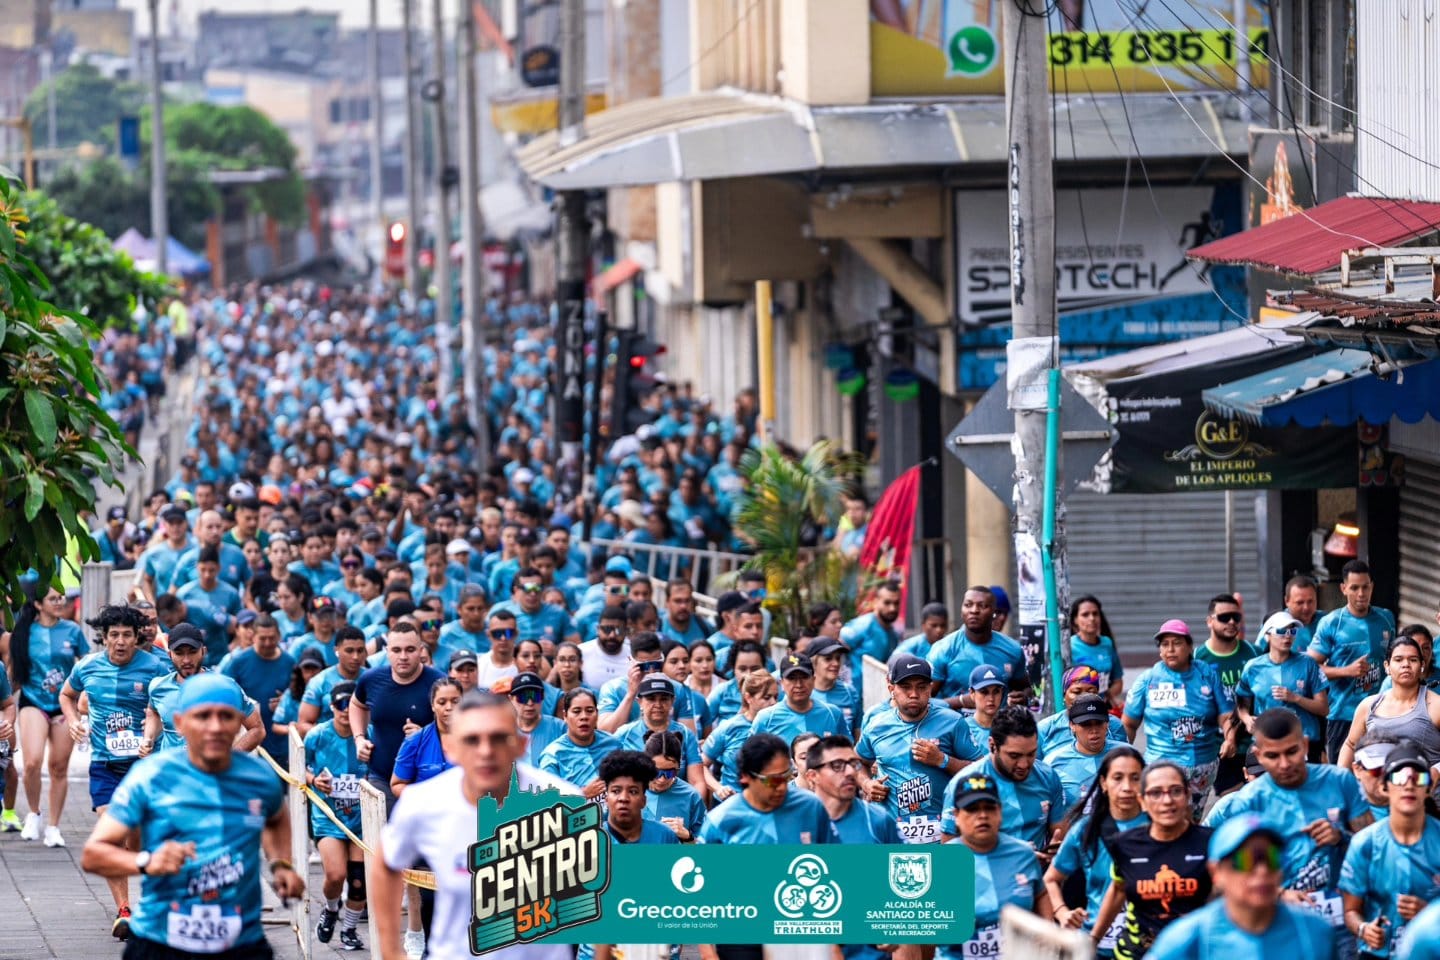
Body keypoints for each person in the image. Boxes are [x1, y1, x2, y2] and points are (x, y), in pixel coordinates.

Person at [80, 673, 305, 959]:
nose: (215, 727)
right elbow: (94, 854)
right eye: (203, 716)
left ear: (239, 721)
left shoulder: (258, 778)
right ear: (180, 723)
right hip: (162, 943)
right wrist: (146, 861)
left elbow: (276, 819)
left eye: (226, 716)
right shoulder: (150, 777)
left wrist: (281, 865)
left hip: (241, 943)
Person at [371, 689, 575, 960]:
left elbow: (607, 886)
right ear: (450, 748)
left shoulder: (564, 801)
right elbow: (385, 863)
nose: (486, 751)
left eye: (499, 738)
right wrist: (391, 950)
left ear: (521, 744)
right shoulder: (423, 803)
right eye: (472, 740)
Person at [1205, 709, 1372, 951]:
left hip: (1343, 919)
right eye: (1273, 756)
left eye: (1292, 752)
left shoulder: (1339, 781)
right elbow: (1233, 872)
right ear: (1258, 755)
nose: (1284, 764)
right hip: (1281, 924)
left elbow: (1373, 847)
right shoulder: (1248, 802)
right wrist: (1279, 894)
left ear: (1305, 745)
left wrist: (1341, 838)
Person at [59, 603, 167, 937]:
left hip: (143, 767)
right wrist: (74, 721)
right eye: (114, 635)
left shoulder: (155, 667)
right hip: (104, 765)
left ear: (137, 637)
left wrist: (153, 732)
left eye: (127, 635)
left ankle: (148, 902)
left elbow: (170, 705)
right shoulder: (87, 667)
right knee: (113, 835)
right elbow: (67, 695)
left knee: (137, 839)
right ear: (103, 637)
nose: (120, 642)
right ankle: (124, 910)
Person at [1149, 814, 1338, 959]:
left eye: (1272, 858)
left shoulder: (1313, 931)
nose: (1262, 871)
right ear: (1216, 872)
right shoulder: (1187, 940)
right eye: (1244, 861)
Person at [1091, 762, 1214, 959]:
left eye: (1176, 791)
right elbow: (1118, 890)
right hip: (1135, 953)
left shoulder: (1212, 843)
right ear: (1142, 801)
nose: (1167, 800)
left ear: (1187, 795)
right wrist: (1093, 939)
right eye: (1156, 793)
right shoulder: (1125, 844)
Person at [857, 654, 981, 845]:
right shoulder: (876, 726)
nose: (914, 694)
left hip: (944, 835)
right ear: (891, 689)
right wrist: (866, 784)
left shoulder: (953, 722)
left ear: (930, 689)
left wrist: (943, 760)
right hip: (891, 836)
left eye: (921, 687)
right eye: (906, 687)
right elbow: (857, 762)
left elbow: (981, 770)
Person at [1123, 618, 1238, 819]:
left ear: (1189, 646)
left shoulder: (1207, 674)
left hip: (1203, 767)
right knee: (1164, 818)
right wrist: (1125, 760)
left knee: (1192, 821)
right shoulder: (1148, 679)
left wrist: (1230, 738)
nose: (1170, 649)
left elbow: (1226, 714)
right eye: (1165, 644)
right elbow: (1129, 724)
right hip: (1161, 765)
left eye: (1177, 643)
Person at [1340, 741, 1440, 959]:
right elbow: (1350, 911)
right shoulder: (1365, 843)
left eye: (1418, 778)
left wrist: (1429, 913)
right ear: (1384, 787)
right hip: (1377, 954)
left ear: (1428, 788)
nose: (1409, 785)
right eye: (1399, 777)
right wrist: (1364, 929)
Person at [1045, 746, 1148, 957]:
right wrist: (1062, 912)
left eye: (1135, 778)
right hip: (1096, 945)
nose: (1127, 787)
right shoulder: (1086, 829)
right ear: (1103, 783)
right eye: (1117, 778)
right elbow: (1051, 879)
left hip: (1147, 945)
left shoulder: (1159, 826)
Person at [938, 773, 1050, 960]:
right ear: (956, 816)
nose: (982, 815)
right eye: (972, 809)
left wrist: (1047, 934)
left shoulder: (1023, 854)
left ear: (1000, 812)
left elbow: (1041, 893)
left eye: (989, 808)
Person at [8, 585, 85, 842]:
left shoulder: (72, 630)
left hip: (64, 705)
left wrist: (85, 698)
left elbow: (86, 666)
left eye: (60, 597)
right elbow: (13, 672)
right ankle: (34, 813)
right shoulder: (24, 632)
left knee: (59, 767)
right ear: (38, 604)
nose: (59, 601)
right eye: (53, 598)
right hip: (33, 701)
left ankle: (53, 827)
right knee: (32, 762)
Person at [942, 706, 1065, 854]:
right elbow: (949, 856)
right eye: (1014, 756)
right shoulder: (962, 785)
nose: (1024, 764)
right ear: (992, 746)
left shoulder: (1048, 777)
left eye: (1031, 754)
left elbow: (1059, 835)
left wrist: (1053, 856)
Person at [350, 623, 446, 810]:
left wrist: (426, 736)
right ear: (386, 651)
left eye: (410, 650)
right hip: (381, 777)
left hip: (427, 781)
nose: (403, 656)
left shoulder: (439, 684)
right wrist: (359, 738)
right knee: (385, 828)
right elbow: (356, 704)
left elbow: (458, 727)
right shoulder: (371, 679)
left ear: (420, 650)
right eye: (396, 650)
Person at [1310, 560, 1397, 764]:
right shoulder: (1332, 622)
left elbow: (1394, 657)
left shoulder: (1386, 618)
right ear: (1343, 588)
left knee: (1378, 773)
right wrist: (1346, 671)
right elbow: (1308, 668)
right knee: (1343, 775)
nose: (1361, 594)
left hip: (1380, 714)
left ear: (1372, 587)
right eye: (1354, 588)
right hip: (1343, 715)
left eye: (1365, 587)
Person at [303, 681, 368, 951]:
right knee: (335, 875)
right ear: (331, 707)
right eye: (340, 705)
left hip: (361, 820)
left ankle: (349, 929)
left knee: (359, 882)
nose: (345, 710)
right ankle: (330, 909)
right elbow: (298, 766)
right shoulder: (317, 735)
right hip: (328, 816)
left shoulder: (369, 735)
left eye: (349, 705)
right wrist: (313, 779)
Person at [142, 624, 264, 753]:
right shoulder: (158, 686)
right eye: (179, 653)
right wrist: (148, 739)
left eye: (192, 652)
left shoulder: (225, 687)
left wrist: (228, 759)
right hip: (170, 765)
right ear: (169, 655)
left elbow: (257, 729)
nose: (186, 660)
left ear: (203, 651)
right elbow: (153, 712)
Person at [699, 732, 839, 845]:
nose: (782, 787)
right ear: (745, 776)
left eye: (786, 776)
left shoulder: (811, 806)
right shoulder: (720, 821)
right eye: (773, 780)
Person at [1237, 611, 1330, 763]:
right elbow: (1242, 704)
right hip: (1266, 742)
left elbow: (1323, 708)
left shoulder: (1308, 664)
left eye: (1292, 631)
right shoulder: (1253, 667)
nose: (1288, 636)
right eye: (1281, 631)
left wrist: (1296, 698)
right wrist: (1247, 719)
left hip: (1303, 743)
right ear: (1267, 635)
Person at [1337, 635, 1440, 769]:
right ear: (1387, 666)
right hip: (1377, 782)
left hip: (1421, 781)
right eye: (1398, 659)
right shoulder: (1369, 705)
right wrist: (1341, 776)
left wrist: (1436, 772)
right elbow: (1350, 744)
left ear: (1422, 665)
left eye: (1413, 660)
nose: (1406, 665)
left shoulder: (1435, 705)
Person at [1195, 594, 1259, 796]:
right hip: (1217, 746)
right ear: (1209, 621)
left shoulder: (1254, 654)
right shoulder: (1197, 659)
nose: (1231, 622)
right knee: (1233, 800)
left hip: (1254, 743)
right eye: (1224, 617)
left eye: (1236, 617)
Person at [925, 586, 1028, 707]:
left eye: (982, 606)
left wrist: (1023, 697)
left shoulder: (1013, 649)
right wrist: (961, 701)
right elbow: (923, 701)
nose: (974, 610)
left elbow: (1025, 689)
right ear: (962, 610)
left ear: (994, 612)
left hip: (1000, 718)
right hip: (956, 719)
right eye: (968, 605)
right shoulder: (943, 649)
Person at [615, 675, 706, 798]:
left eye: (664, 699)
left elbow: (697, 782)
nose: (658, 704)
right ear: (640, 701)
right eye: (651, 699)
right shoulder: (624, 734)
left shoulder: (686, 734)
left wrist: (694, 807)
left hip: (677, 801)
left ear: (672, 701)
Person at [221, 613, 296, 761]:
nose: (267, 643)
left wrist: (286, 702)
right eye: (263, 638)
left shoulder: (290, 663)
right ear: (253, 636)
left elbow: (300, 700)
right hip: (248, 743)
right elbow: (223, 695)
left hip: (280, 744)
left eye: (272, 638)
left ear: (279, 636)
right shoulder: (238, 663)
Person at [806, 734, 901, 844]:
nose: (850, 772)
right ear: (813, 776)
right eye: (837, 765)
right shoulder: (797, 820)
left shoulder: (878, 820)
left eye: (853, 764)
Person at [703, 671, 778, 800]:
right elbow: (701, 765)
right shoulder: (729, 727)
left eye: (776, 697)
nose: (773, 703)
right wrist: (719, 788)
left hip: (768, 801)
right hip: (729, 801)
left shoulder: (780, 725)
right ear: (748, 697)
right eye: (766, 697)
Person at [1046, 694, 1128, 807]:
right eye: (1085, 724)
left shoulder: (1127, 755)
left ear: (1107, 723)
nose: (1094, 730)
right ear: (1072, 725)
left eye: (1099, 722)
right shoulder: (1053, 762)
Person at [538, 688, 617, 802]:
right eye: (576, 711)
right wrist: (582, 795)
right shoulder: (553, 755)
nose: (584, 717)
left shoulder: (613, 744)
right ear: (565, 716)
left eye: (590, 711)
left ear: (597, 714)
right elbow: (546, 801)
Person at [751, 653, 848, 742]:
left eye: (804, 677)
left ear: (813, 680)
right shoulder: (766, 719)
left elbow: (847, 750)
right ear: (782, 683)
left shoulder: (832, 714)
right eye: (792, 678)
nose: (799, 684)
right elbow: (752, 753)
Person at [390, 678, 463, 794]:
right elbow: (397, 784)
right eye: (442, 702)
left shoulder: (479, 738)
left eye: (455, 701)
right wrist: (424, 800)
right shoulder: (415, 740)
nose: (449, 707)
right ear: (433, 706)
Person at [1036, 665, 1126, 758]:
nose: (1084, 697)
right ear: (1064, 695)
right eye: (1076, 692)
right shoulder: (1045, 729)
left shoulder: (1114, 725)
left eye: (1091, 692)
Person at [644, 729, 706, 842]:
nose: (662, 779)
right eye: (656, 772)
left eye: (670, 773)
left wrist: (687, 836)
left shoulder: (691, 797)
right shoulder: (628, 790)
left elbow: (706, 846)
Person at [1067, 595, 1124, 706]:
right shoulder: (1068, 647)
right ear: (1075, 620)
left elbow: (1118, 681)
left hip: (1103, 707)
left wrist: (1106, 698)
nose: (1092, 618)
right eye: (1085, 615)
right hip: (1078, 707)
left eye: (1095, 613)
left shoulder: (1107, 643)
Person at [505, 671, 566, 766]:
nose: (530, 703)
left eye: (535, 696)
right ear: (511, 699)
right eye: (523, 697)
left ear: (543, 697)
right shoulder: (503, 730)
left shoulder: (560, 728)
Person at [1257, 575, 1324, 654]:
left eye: (1310, 601)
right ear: (1286, 601)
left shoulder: (1328, 621)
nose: (1306, 607)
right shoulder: (1274, 622)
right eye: (1300, 602)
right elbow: (1257, 655)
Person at [963, 663, 1008, 747]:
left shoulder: (1012, 727)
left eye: (996, 691)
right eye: (984, 692)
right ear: (972, 693)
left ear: (1002, 693)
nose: (991, 698)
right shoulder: (963, 728)